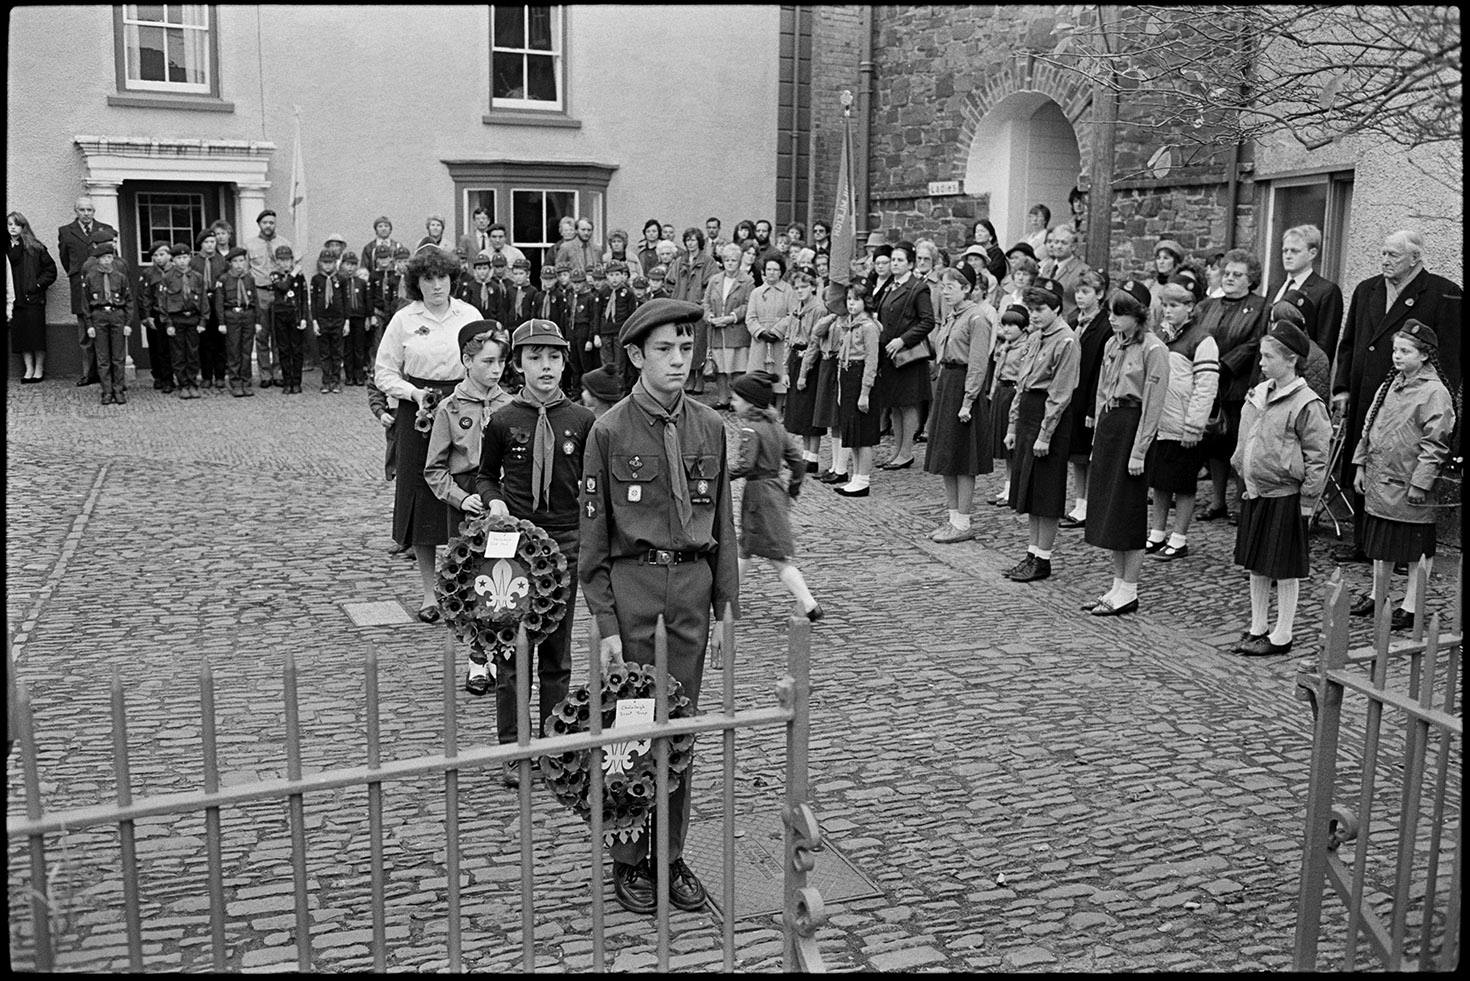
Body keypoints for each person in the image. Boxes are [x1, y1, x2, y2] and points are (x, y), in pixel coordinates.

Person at [579, 297, 738, 916]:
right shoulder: (610, 430)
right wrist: (605, 620)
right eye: (665, 350)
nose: (678, 360)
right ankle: (628, 858)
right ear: (637, 356)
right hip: (635, 589)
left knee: (681, 730)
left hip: (692, 591)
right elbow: (593, 538)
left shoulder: (710, 426)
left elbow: (722, 523)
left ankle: (669, 854)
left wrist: (726, 606)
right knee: (631, 729)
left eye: (685, 348)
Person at [1331, 230, 1462, 564]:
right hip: (1368, 396)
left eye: (1393, 255)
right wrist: (1343, 388)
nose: (1385, 261)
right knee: (1368, 460)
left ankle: (1402, 553)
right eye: (1383, 253)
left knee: (1403, 469)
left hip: (1412, 402)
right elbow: (1350, 343)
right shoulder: (1367, 289)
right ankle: (1365, 542)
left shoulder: (1443, 293)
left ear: (1415, 258)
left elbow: (1450, 356)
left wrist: (1437, 398)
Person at [375, 245, 478, 619]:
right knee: (422, 496)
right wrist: (413, 393)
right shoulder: (404, 319)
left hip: (462, 405)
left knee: (464, 489)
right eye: (428, 279)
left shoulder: (468, 314)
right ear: (417, 283)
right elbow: (383, 372)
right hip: (418, 407)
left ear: (453, 278)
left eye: (443, 277)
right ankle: (429, 594)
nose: (437, 285)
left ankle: (464, 587)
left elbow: (484, 360)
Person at [425, 320, 515, 695]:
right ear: (467, 360)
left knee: (507, 580)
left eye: (501, 363)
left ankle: (507, 655)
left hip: (505, 501)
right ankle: (478, 659)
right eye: (488, 362)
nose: (496, 370)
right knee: (473, 583)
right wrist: (461, 498)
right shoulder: (450, 408)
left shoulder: (511, 404)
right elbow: (434, 468)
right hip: (467, 501)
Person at [1230, 322, 1331, 656]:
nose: (1261, 363)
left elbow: (1318, 457)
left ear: (1290, 360)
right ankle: (1258, 627)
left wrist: (1307, 502)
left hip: (1287, 496)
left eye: (1268, 357)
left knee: (1284, 568)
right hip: (1258, 492)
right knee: (1257, 564)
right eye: (1261, 356)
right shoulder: (1260, 394)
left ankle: (1282, 634)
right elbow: (1248, 437)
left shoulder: (1306, 402)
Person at [1347, 321, 1455, 632]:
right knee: (1381, 545)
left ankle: (1411, 604)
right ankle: (1377, 595)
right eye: (1395, 350)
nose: (1396, 356)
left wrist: (1421, 483)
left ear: (1424, 356)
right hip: (1382, 482)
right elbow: (1370, 428)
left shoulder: (1434, 392)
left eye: (1405, 351)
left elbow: (1437, 442)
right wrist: (1360, 465)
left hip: (1409, 485)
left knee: (1415, 550)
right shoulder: (1390, 385)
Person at [1080, 279, 1168, 616]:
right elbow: (1103, 392)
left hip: (1133, 427)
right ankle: (1117, 585)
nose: (1113, 319)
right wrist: (1097, 439)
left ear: (1138, 315)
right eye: (1111, 313)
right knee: (1111, 511)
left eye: (1120, 313)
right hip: (1111, 427)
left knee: (1129, 511)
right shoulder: (1112, 345)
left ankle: (1130, 589)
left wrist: (1140, 451)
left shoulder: (1154, 350)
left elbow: (1153, 405)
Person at [1003, 276, 1079, 583]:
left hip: (1050, 417)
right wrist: (1013, 423)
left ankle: (1043, 557)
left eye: (1041, 308)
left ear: (1057, 308)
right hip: (1030, 414)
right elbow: (1022, 383)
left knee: (1046, 491)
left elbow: (1060, 393)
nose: (1034, 314)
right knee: (1031, 489)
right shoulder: (1036, 337)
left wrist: (1045, 434)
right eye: (1031, 308)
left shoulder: (1066, 341)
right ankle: (1032, 552)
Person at [730, 370, 822, 619]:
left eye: (736, 399)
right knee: (745, 546)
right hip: (774, 491)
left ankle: (809, 604)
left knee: (777, 556)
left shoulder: (750, 429)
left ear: (750, 402)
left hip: (758, 496)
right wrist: (792, 491)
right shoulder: (776, 428)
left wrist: (720, 475)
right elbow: (799, 464)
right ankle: (728, 599)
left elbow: (744, 465)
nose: (732, 403)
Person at [1145, 282, 1219, 561]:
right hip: (1162, 424)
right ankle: (1157, 532)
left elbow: (1206, 386)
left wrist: (1194, 426)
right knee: (1160, 481)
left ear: (1190, 307)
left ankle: (1179, 537)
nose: (1168, 311)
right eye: (1165, 305)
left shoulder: (1202, 340)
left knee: (1184, 484)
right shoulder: (1161, 336)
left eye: (1174, 305)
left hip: (1184, 425)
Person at [1196, 248, 1269, 522]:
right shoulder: (1208, 306)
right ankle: (1217, 502)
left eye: (1237, 275)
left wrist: (1225, 364)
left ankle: (1242, 503)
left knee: (1241, 445)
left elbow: (1256, 342)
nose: (1229, 278)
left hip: (1240, 386)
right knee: (1214, 445)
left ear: (1250, 279)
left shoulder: (1261, 307)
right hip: (1210, 386)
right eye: (1226, 273)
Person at [923, 268, 995, 541]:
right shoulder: (953, 317)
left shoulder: (977, 318)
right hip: (948, 383)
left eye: (951, 286)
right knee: (947, 455)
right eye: (943, 286)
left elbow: (978, 364)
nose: (945, 290)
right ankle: (952, 518)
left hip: (964, 388)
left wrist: (968, 401)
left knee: (963, 458)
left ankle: (963, 522)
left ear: (967, 288)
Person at [1058, 269, 1112, 529]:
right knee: (1076, 454)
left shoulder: (1105, 326)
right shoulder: (1072, 320)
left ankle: (1089, 503)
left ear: (1099, 295)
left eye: (1086, 292)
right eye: (1077, 292)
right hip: (1072, 395)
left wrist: (1094, 407)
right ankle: (1079, 501)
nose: (1080, 297)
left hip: (1089, 396)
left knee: (1087, 454)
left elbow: (1102, 370)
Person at [876, 241, 936, 470]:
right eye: (893, 260)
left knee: (908, 404)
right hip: (890, 356)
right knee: (895, 404)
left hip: (908, 356)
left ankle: (906, 452)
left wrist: (903, 340)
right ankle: (897, 450)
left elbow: (928, 321)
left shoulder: (918, 288)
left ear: (910, 264)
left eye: (900, 260)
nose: (895, 264)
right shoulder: (890, 286)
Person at [57, 195, 115, 387]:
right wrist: (76, 275)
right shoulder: (66, 232)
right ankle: (88, 374)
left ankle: (107, 373)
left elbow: (113, 259)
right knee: (85, 333)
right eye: (82, 210)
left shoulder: (105, 229)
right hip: (80, 286)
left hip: (104, 286)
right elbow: (65, 259)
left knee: (107, 331)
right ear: (76, 211)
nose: (86, 214)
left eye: (89, 210)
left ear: (94, 211)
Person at [833, 282, 883, 497]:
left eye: (857, 299)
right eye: (849, 299)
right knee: (852, 432)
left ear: (866, 302)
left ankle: (863, 479)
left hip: (861, 376)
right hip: (848, 378)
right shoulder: (849, 324)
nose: (852, 304)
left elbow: (872, 361)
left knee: (863, 433)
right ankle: (855, 477)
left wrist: (865, 392)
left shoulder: (869, 327)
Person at [1266, 224, 1344, 361]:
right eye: (1285, 251)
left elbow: (1325, 344)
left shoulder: (1326, 290)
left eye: (1295, 251)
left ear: (1312, 253)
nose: (1288, 256)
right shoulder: (1275, 287)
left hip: (1300, 369)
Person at [802, 281, 850, 484]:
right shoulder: (830, 320)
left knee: (840, 419)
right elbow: (816, 334)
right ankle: (834, 465)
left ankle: (841, 468)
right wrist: (831, 317)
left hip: (840, 365)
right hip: (826, 365)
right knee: (832, 420)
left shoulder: (849, 321)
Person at [701, 243, 754, 409]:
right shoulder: (714, 280)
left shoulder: (747, 281)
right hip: (717, 331)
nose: (730, 263)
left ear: (739, 261)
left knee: (738, 368)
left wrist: (731, 317)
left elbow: (748, 304)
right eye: (727, 260)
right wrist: (709, 316)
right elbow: (706, 302)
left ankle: (737, 400)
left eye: (734, 260)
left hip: (736, 330)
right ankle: (723, 398)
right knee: (720, 368)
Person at [7, 211, 57, 384]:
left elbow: (50, 271)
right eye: (9, 224)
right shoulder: (7, 249)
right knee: (21, 337)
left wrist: (36, 285)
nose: (12, 227)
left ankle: (39, 369)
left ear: (23, 227)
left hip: (33, 299)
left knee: (36, 336)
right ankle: (28, 369)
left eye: (16, 224)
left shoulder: (35, 248)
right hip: (15, 299)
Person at [987, 304, 1029, 505]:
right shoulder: (1004, 346)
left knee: (1013, 444)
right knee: (1005, 448)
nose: (1007, 329)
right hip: (1001, 394)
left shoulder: (1025, 348)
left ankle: (1014, 487)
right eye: (1005, 324)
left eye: (1013, 325)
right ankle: (1007, 485)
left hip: (1013, 393)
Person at [782, 271, 824, 472]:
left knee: (810, 411)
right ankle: (805, 455)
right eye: (797, 288)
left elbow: (815, 343)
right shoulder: (796, 308)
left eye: (804, 287)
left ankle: (813, 457)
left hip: (810, 362)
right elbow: (789, 339)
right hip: (795, 359)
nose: (800, 291)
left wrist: (804, 373)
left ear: (813, 287)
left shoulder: (818, 310)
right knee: (798, 411)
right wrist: (785, 369)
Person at [82, 241, 132, 405]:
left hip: (117, 315)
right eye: (104, 258)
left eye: (110, 257)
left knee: (118, 356)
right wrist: (89, 325)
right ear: (98, 259)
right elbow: (86, 303)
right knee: (103, 357)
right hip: (99, 316)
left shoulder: (120, 277)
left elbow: (129, 301)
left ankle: (118, 390)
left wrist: (128, 323)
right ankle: (107, 391)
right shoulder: (90, 278)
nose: (107, 261)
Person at [246, 210, 291, 389]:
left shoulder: (284, 243)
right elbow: (247, 271)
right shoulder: (250, 245)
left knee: (279, 334)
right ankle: (265, 373)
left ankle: (278, 371)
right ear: (259, 224)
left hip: (280, 293)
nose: (268, 226)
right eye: (265, 222)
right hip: (260, 292)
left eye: (271, 222)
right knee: (262, 334)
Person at [746, 255, 794, 412]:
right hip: (761, 340)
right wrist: (760, 332)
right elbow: (750, 317)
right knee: (759, 373)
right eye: (769, 269)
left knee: (780, 371)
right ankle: (761, 406)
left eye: (775, 269)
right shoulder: (757, 292)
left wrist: (777, 331)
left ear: (781, 272)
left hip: (780, 339)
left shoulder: (789, 291)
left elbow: (792, 314)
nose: (772, 273)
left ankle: (779, 407)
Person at [159, 242, 207, 398]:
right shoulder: (168, 278)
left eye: (185, 257)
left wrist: (203, 321)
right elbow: (163, 302)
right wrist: (168, 323)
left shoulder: (197, 277)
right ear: (173, 260)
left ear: (189, 258)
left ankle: (193, 382)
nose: (182, 261)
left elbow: (203, 299)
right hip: (176, 319)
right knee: (178, 354)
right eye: (178, 258)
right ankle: (183, 384)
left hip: (192, 318)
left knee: (193, 353)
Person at [214, 246, 260, 398]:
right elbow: (219, 302)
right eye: (235, 261)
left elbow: (256, 301)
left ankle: (246, 382)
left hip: (247, 315)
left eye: (242, 261)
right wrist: (221, 322)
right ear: (230, 263)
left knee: (246, 351)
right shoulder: (224, 280)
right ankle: (235, 382)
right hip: (232, 316)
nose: (239, 264)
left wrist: (258, 320)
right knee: (234, 351)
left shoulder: (249, 278)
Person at [266, 245, 308, 395]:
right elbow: (283, 287)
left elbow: (303, 297)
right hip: (280, 316)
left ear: (292, 260)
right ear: (277, 261)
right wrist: (293, 273)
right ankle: (287, 381)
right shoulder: (274, 275)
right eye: (281, 260)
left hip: (295, 315)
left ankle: (296, 382)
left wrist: (304, 317)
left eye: (288, 260)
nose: (285, 263)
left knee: (297, 350)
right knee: (283, 349)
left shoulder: (300, 277)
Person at [191, 230, 229, 390]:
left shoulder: (222, 261)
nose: (210, 245)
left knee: (219, 341)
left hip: (218, 300)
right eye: (206, 242)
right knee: (204, 341)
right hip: (200, 301)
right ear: (201, 244)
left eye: (212, 242)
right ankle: (206, 376)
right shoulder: (194, 262)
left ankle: (220, 375)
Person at [137, 239, 176, 392]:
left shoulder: (176, 271)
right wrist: (146, 316)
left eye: (162, 254)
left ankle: (171, 377)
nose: (159, 258)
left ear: (169, 255)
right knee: (157, 348)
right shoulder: (148, 273)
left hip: (173, 314)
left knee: (172, 348)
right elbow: (143, 296)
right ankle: (159, 377)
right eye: (156, 255)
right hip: (156, 314)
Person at [310, 249, 348, 394]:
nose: (327, 266)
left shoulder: (341, 279)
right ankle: (326, 381)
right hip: (322, 320)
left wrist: (347, 321)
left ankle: (336, 381)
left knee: (337, 352)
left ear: (335, 263)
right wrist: (314, 321)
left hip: (338, 319)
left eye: (330, 263)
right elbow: (313, 302)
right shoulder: (316, 279)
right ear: (320, 263)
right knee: (324, 353)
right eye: (324, 263)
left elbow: (346, 301)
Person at [566, 268, 601, 399]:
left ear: (584, 283)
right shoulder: (570, 297)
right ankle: (576, 391)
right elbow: (568, 319)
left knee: (586, 365)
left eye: (579, 282)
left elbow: (593, 319)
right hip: (573, 332)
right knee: (575, 364)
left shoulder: (590, 298)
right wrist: (568, 338)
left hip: (584, 332)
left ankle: (588, 391)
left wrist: (590, 339)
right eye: (574, 283)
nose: (576, 285)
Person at [1039, 225, 1087, 323]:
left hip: (1067, 324)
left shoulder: (1082, 271)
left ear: (1073, 247)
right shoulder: (1048, 267)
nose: (1058, 246)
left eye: (1064, 243)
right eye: (1056, 242)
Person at [339, 252, 373, 386]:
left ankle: (359, 375)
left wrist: (368, 317)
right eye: (348, 264)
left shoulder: (362, 283)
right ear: (342, 265)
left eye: (353, 264)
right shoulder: (340, 281)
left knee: (359, 348)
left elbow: (367, 300)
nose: (350, 267)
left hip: (360, 317)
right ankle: (349, 375)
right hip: (346, 319)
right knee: (347, 348)